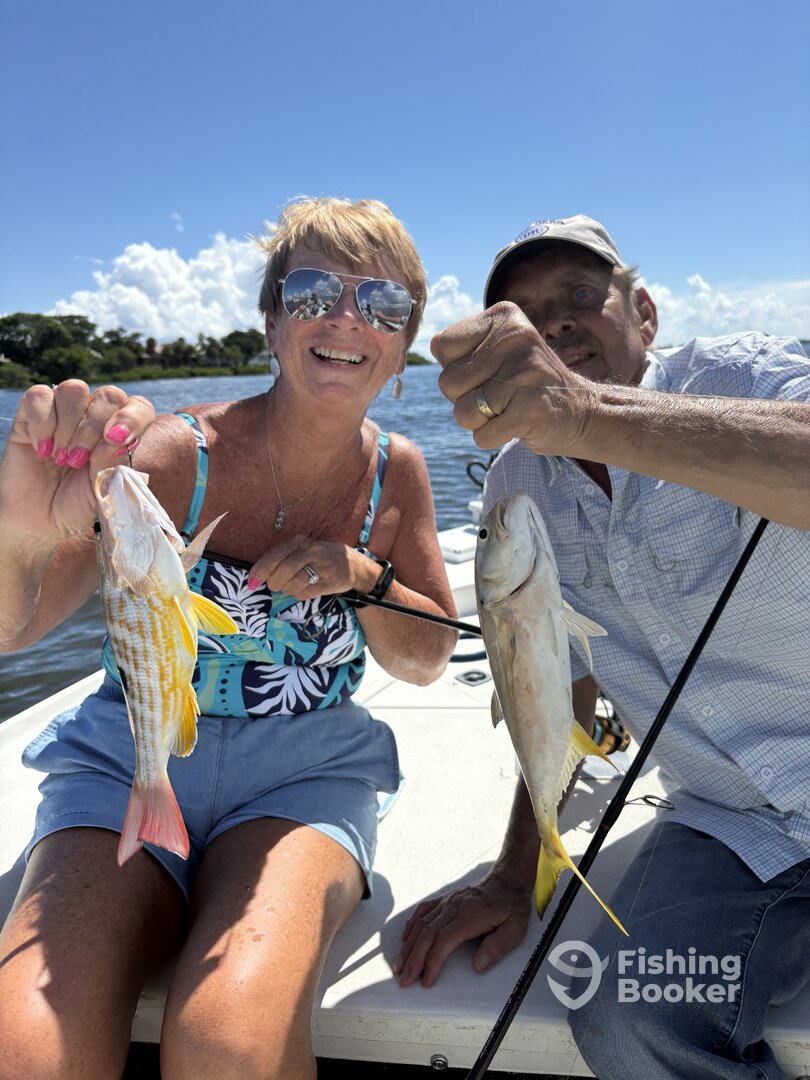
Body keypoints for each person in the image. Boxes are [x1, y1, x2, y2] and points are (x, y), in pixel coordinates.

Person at [0, 196, 458, 1080]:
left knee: (229, 1047)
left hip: (305, 771)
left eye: (383, 304)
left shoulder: (397, 474)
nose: (346, 318)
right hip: (128, 757)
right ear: (272, 320)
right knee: (23, 1050)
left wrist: (363, 575)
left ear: (404, 342)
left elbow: (427, 659)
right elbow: (17, 627)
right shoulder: (174, 457)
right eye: (313, 292)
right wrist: (22, 534)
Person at [394, 215, 810, 1080]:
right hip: (730, 820)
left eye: (580, 296)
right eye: (524, 316)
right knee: (626, 1020)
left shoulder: (741, 377)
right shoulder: (515, 485)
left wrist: (584, 415)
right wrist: (516, 870)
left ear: (644, 313)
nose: (554, 325)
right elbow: (551, 679)